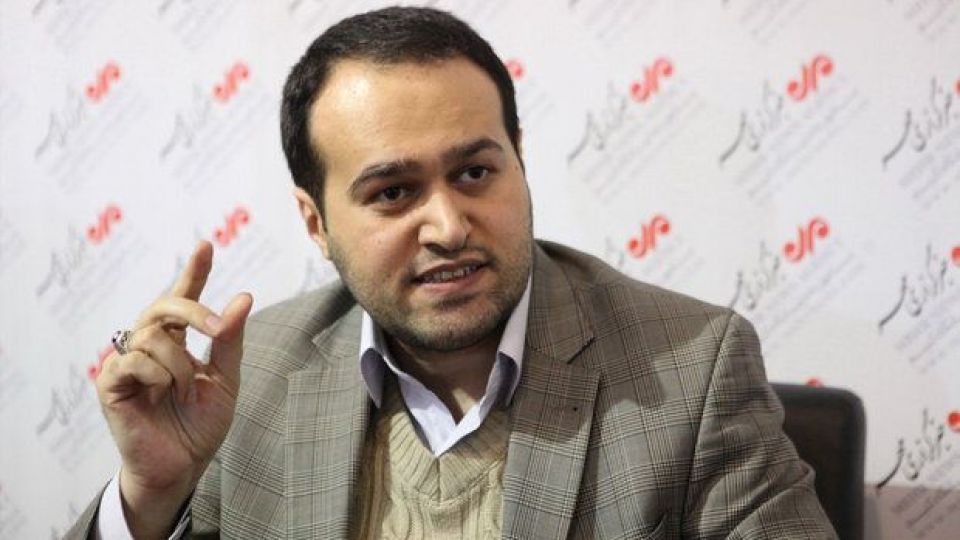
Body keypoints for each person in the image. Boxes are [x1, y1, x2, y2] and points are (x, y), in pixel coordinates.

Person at [68, 6, 836, 539]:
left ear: (519, 160)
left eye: (474, 173)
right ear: (316, 223)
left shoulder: (692, 369)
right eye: (393, 192)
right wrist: (149, 498)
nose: (448, 226)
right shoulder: (250, 378)